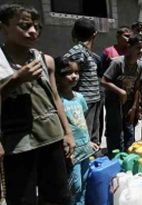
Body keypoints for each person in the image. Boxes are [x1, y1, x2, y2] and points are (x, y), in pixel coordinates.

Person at [0, 4, 75, 204]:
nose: (32, 31)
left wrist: (67, 133)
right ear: (4, 27)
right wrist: (16, 80)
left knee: (58, 196)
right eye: (24, 26)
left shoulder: (44, 60)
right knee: (23, 198)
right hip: (18, 145)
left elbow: (55, 97)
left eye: (35, 26)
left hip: (51, 138)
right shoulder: (1, 61)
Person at [54, 57, 99, 205]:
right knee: (74, 185)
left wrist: (89, 141)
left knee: (84, 182)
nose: (74, 76)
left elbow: (83, 123)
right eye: (68, 73)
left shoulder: (79, 97)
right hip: (71, 153)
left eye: (77, 72)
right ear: (56, 76)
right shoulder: (57, 101)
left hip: (84, 149)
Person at [101, 34, 142, 155]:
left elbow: (137, 88)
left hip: (129, 104)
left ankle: (128, 157)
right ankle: (114, 159)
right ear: (129, 47)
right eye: (138, 47)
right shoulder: (118, 63)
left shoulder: (140, 66)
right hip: (114, 103)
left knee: (129, 132)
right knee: (115, 132)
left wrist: (135, 107)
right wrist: (120, 91)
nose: (141, 51)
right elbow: (103, 81)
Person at [64, 18, 102, 145]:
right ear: (94, 34)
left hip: (94, 99)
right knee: (85, 136)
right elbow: (66, 71)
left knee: (93, 136)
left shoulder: (85, 52)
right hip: (85, 101)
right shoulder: (79, 52)